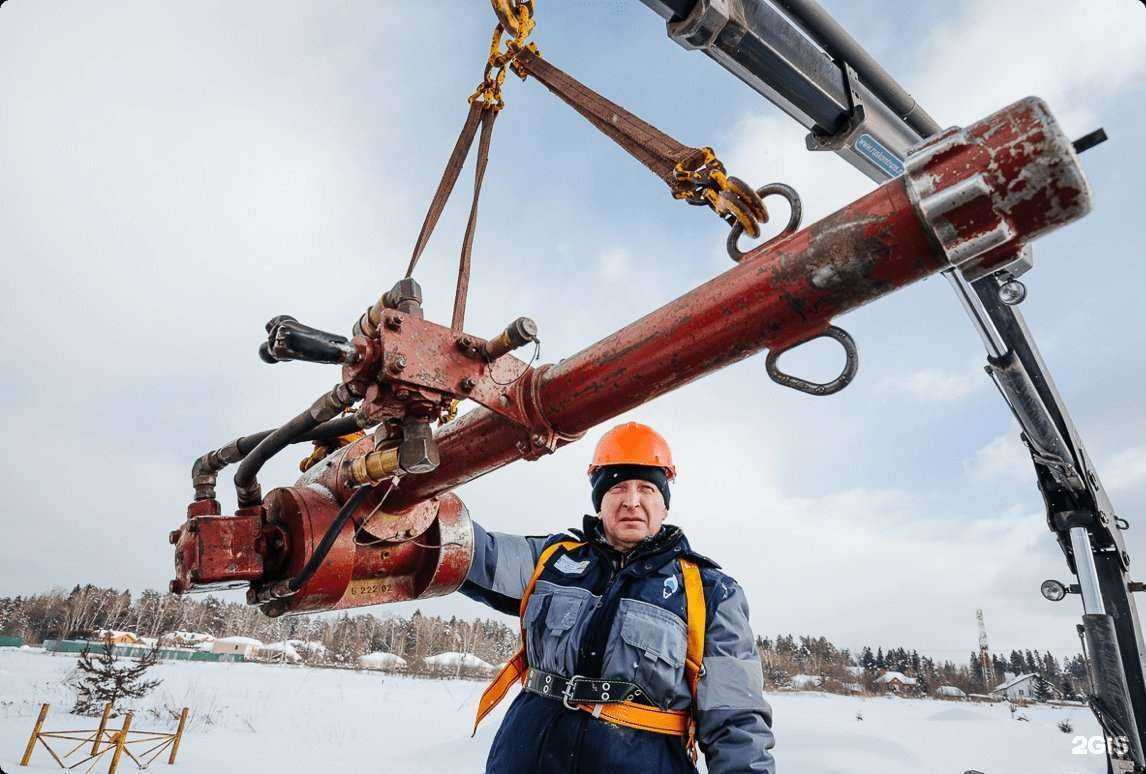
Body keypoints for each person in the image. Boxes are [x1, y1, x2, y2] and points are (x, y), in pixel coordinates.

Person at [461, 421, 775, 773]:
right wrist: (423, 503)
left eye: (647, 488)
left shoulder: (709, 592)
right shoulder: (551, 560)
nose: (631, 501)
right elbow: (466, 553)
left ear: (664, 505)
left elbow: (737, 720)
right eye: (617, 487)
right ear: (599, 501)